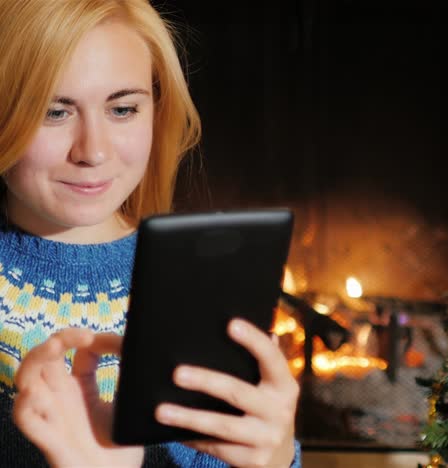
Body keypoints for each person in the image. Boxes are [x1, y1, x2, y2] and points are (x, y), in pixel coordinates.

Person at [0, 0, 301, 466]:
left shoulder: (198, 287)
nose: (93, 152)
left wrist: (277, 458)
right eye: (54, 112)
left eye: (122, 109)